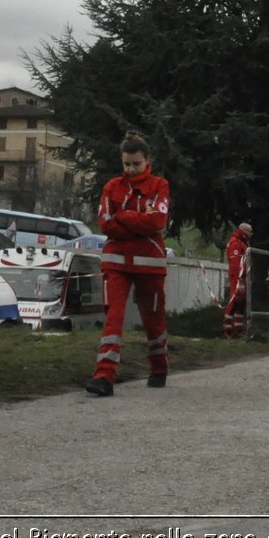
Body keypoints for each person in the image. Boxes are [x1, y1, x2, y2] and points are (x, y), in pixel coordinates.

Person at [85, 130, 171, 397]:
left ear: (147, 161)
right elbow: (105, 224)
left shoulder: (160, 186)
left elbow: (157, 222)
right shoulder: (112, 187)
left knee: (153, 319)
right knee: (114, 318)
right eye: (126, 164)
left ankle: (159, 367)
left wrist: (122, 216)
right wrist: (137, 220)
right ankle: (104, 376)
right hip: (116, 263)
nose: (131, 169)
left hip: (150, 265)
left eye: (136, 164)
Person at [222, 222, 253, 338]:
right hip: (238, 278)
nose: (251, 234)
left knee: (241, 304)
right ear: (244, 231)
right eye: (250, 231)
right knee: (235, 302)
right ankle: (227, 331)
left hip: (244, 278)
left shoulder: (243, 243)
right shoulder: (235, 243)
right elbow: (235, 266)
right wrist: (239, 282)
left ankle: (238, 330)